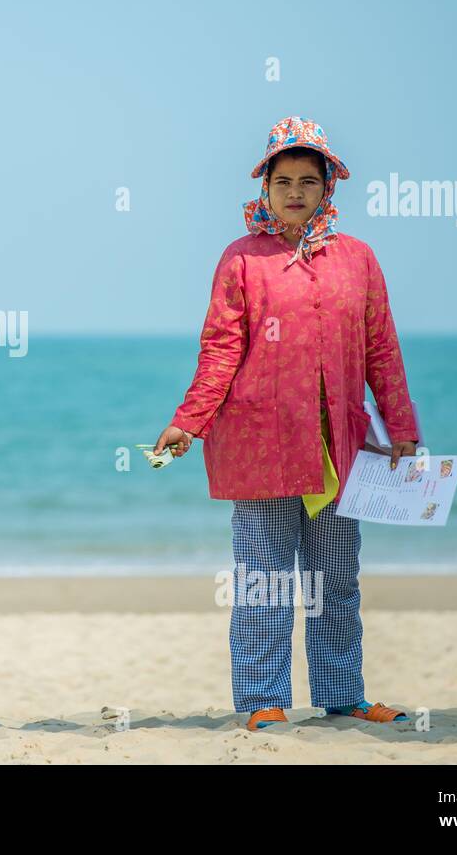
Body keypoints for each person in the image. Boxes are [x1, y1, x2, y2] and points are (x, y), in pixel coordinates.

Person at [153, 116, 420, 731]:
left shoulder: (358, 260)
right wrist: (187, 423)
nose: (295, 192)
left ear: (329, 188)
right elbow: (220, 349)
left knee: (336, 582)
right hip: (260, 446)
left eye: (308, 180)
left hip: (339, 449)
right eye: (283, 181)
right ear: (265, 188)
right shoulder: (242, 260)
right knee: (264, 585)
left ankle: (343, 696)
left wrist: (401, 425)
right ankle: (262, 702)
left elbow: (382, 348)